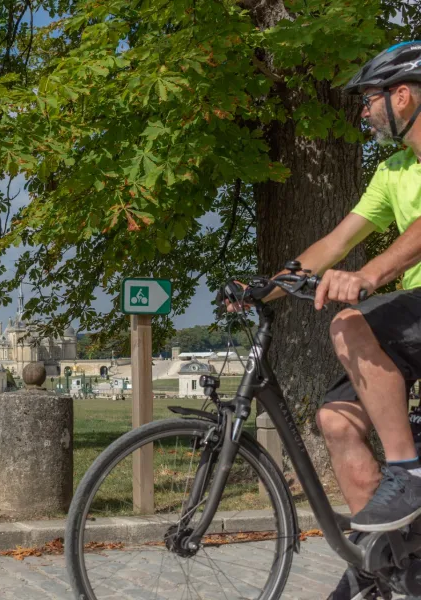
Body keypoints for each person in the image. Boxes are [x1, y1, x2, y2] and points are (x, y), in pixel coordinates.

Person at [230, 41, 421, 599]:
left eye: (369, 100)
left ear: (402, 95)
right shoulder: (393, 170)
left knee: (348, 323)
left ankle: (407, 471)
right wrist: (266, 286)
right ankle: (386, 565)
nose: (364, 112)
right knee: (336, 421)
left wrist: (369, 275)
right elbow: (336, 240)